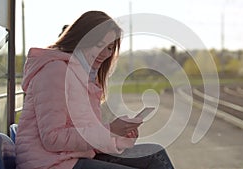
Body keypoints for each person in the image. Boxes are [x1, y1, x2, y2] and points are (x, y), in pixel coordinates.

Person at [15, 11, 174, 169]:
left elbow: (89, 138)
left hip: (74, 157)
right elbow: (52, 138)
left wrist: (117, 135)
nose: (105, 53)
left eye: (110, 47)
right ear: (80, 40)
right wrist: (110, 130)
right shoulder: (55, 71)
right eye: (99, 45)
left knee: (156, 155)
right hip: (50, 163)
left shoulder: (84, 77)